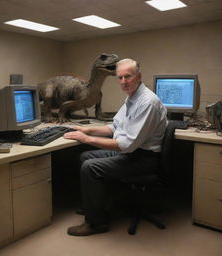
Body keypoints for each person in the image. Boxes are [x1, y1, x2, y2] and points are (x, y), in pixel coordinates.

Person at [63, 58, 168, 236]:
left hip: (144, 159)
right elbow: (114, 127)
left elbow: (125, 145)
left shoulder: (147, 102)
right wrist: (86, 130)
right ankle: (96, 206)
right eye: (119, 77)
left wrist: (86, 139)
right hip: (133, 153)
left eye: (128, 76)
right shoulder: (132, 98)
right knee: (85, 157)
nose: (123, 81)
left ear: (139, 76)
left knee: (91, 167)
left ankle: (96, 223)